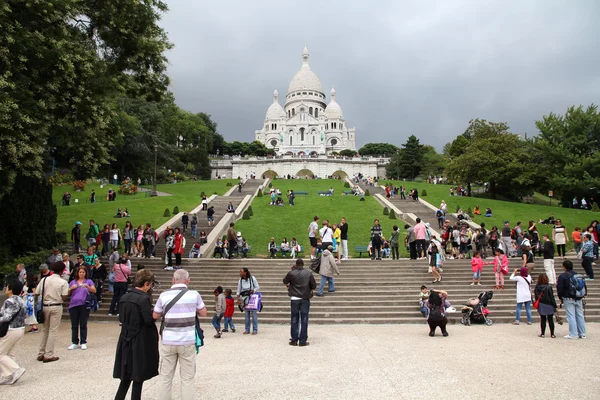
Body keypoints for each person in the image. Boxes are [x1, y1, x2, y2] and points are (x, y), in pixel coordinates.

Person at [152, 269, 208, 400]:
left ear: (173, 279)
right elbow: (204, 313)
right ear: (188, 280)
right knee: (187, 378)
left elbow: (155, 315)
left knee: (165, 377)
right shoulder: (194, 295)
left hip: (169, 339)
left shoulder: (164, 295)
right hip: (187, 340)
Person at [113, 269, 159, 400]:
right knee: (138, 375)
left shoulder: (124, 297)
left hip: (125, 337)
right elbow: (148, 320)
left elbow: (121, 318)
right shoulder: (143, 299)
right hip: (139, 339)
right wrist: (155, 315)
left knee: (126, 376)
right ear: (146, 283)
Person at [35, 262, 69, 363]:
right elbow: (64, 296)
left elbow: (37, 292)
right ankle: (49, 354)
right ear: (62, 271)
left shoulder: (44, 279)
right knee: (53, 331)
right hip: (56, 305)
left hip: (45, 305)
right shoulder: (63, 282)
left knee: (44, 329)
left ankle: (41, 353)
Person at [283, 258, 316, 346]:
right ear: (303, 264)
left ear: (296, 264)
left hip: (294, 298)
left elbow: (285, 281)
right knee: (304, 319)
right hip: (305, 298)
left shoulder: (291, 273)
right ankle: (302, 340)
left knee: (294, 319)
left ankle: (294, 339)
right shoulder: (308, 273)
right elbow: (313, 285)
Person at [0, 279, 27, 385]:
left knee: (0, 353)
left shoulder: (10, 301)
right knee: (9, 352)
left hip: (10, 329)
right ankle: (8, 376)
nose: (6, 289)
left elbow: (6, 317)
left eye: (7, 287)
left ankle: (15, 370)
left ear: (10, 290)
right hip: (20, 328)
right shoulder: (21, 300)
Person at [67, 266, 96, 350]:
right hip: (73, 305)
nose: (81, 274)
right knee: (74, 325)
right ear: (77, 273)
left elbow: (94, 290)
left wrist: (88, 287)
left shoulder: (89, 281)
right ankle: (74, 342)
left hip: (84, 304)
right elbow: (67, 292)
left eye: (83, 272)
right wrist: (71, 288)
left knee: (83, 324)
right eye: (80, 272)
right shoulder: (73, 282)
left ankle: (83, 341)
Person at [557, 260, 587, 339]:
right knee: (580, 315)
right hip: (579, 297)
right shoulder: (578, 275)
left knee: (571, 316)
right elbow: (584, 286)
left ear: (564, 267)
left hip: (568, 298)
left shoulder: (563, 276)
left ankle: (573, 334)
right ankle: (582, 333)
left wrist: (560, 297)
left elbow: (560, 288)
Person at [236, 268, 260, 335]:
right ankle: (247, 329)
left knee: (254, 314)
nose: (240, 273)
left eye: (241, 272)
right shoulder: (240, 281)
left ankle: (255, 329)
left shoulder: (252, 278)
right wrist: (238, 299)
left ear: (245, 273)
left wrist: (253, 290)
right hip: (244, 298)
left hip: (252, 297)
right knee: (246, 315)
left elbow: (257, 287)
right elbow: (238, 290)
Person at [534, 273, 558, 338]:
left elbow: (536, 297)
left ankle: (543, 333)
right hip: (549, 304)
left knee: (543, 319)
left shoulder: (537, 287)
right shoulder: (549, 287)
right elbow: (552, 297)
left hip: (541, 304)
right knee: (550, 320)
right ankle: (552, 334)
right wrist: (555, 306)